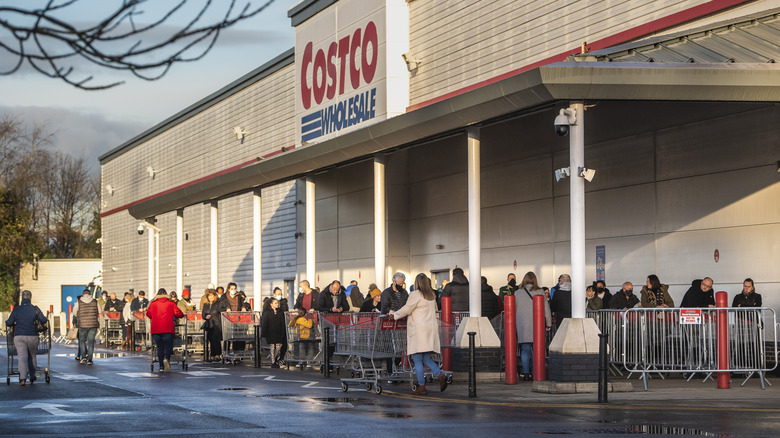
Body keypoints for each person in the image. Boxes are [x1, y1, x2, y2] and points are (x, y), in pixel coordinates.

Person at [390, 273, 448, 395]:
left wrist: (394, 314)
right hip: (430, 329)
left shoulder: (415, 294)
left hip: (418, 330)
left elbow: (407, 308)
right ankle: (440, 374)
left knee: (417, 359)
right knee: (426, 358)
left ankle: (421, 386)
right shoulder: (431, 295)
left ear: (417, 283)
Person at [5, 290, 48, 385]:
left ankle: (22, 379)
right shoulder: (35, 309)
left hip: (19, 336)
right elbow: (44, 320)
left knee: (22, 357)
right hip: (33, 336)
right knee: (32, 356)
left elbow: (9, 322)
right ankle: (32, 376)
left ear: (22, 298)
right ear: (30, 298)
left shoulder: (16, 309)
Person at [515, 272, 551, 381]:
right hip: (537, 325)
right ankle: (536, 373)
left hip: (522, 325)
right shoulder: (540, 292)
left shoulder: (517, 293)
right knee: (537, 350)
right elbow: (546, 310)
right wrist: (548, 323)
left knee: (525, 349)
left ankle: (526, 373)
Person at [146, 288, 184, 372]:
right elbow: (178, 313)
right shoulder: (171, 303)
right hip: (168, 328)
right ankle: (167, 358)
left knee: (160, 347)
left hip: (156, 328)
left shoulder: (153, 303)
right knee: (168, 346)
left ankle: (161, 367)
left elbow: (148, 314)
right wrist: (182, 315)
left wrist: (155, 317)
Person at [72, 288, 100, 363]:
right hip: (93, 324)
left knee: (82, 341)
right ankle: (90, 359)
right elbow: (99, 311)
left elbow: (74, 312)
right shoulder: (95, 301)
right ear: (90, 294)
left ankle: (83, 357)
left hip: (82, 324)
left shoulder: (79, 302)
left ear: (83, 294)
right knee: (90, 342)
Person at [261, 297, 287, 368]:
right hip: (270, 332)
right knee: (272, 347)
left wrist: (283, 332)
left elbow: (282, 323)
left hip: (278, 332)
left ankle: (275, 358)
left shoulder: (280, 312)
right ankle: (273, 362)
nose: (277, 304)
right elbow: (265, 323)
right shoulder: (267, 313)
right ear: (271, 304)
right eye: (275, 303)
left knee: (278, 347)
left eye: (278, 303)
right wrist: (263, 333)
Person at [201, 290, 222, 362]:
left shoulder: (218, 303)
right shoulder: (206, 304)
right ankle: (212, 355)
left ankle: (218, 355)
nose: (210, 297)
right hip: (209, 324)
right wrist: (205, 316)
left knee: (216, 339)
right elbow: (203, 314)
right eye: (209, 296)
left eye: (212, 296)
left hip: (217, 323)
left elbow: (220, 311)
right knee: (210, 339)